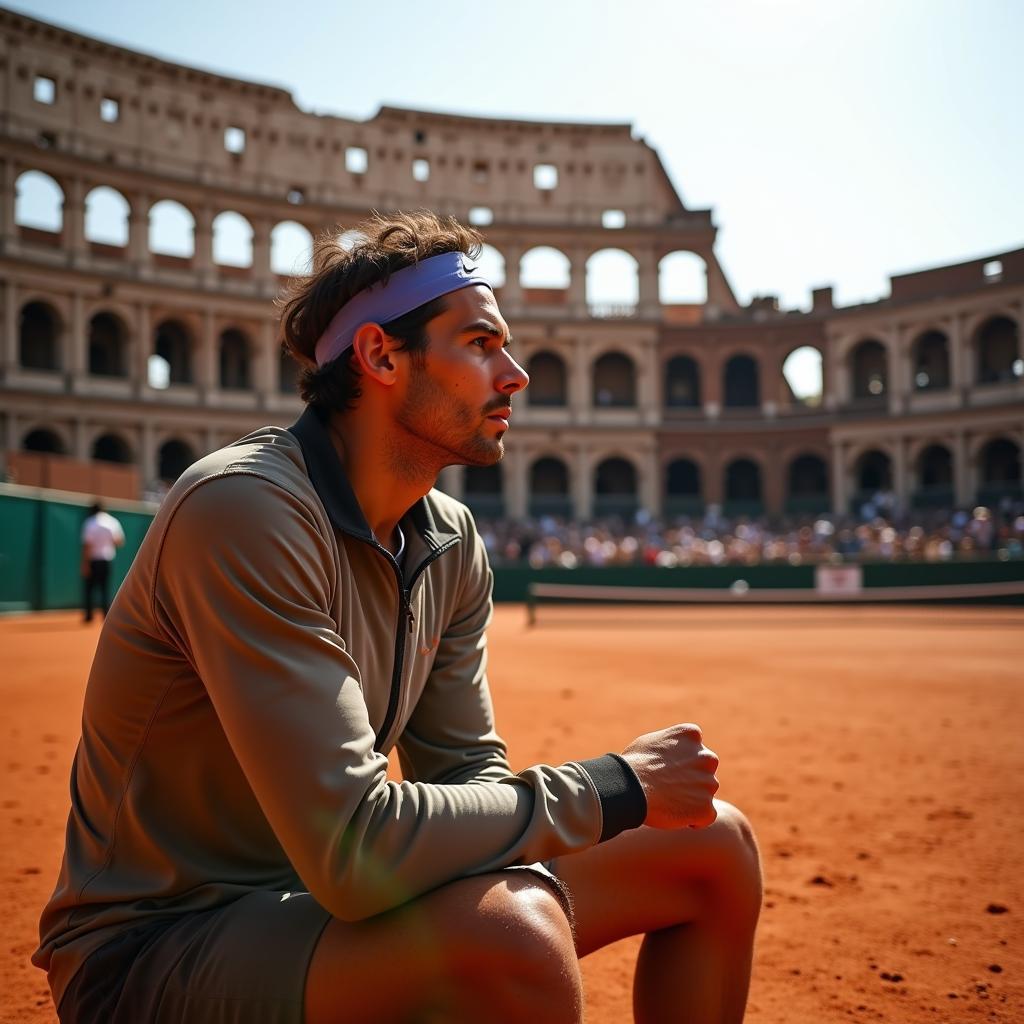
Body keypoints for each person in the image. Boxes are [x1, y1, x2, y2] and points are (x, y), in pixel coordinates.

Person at [36, 212, 762, 1024]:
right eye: (482, 344)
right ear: (381, 355)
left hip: (332, 913)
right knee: (514, 938)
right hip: (156, 951)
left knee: (711, 846)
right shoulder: (243, 506)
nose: (516, 374)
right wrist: (616, 787)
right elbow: (352, 847)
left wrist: (541, 844)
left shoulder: (451, 538)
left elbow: (466, 775)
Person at [79, 500, 124, 623]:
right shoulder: (112, 522)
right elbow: (119, 541)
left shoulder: (89, 522)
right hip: (106, 560)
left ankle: (89, 616)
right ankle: (106, 616)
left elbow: (87, 545)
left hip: (93, 560)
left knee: (89, 589)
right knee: (105, 588)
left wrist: (85, 563)